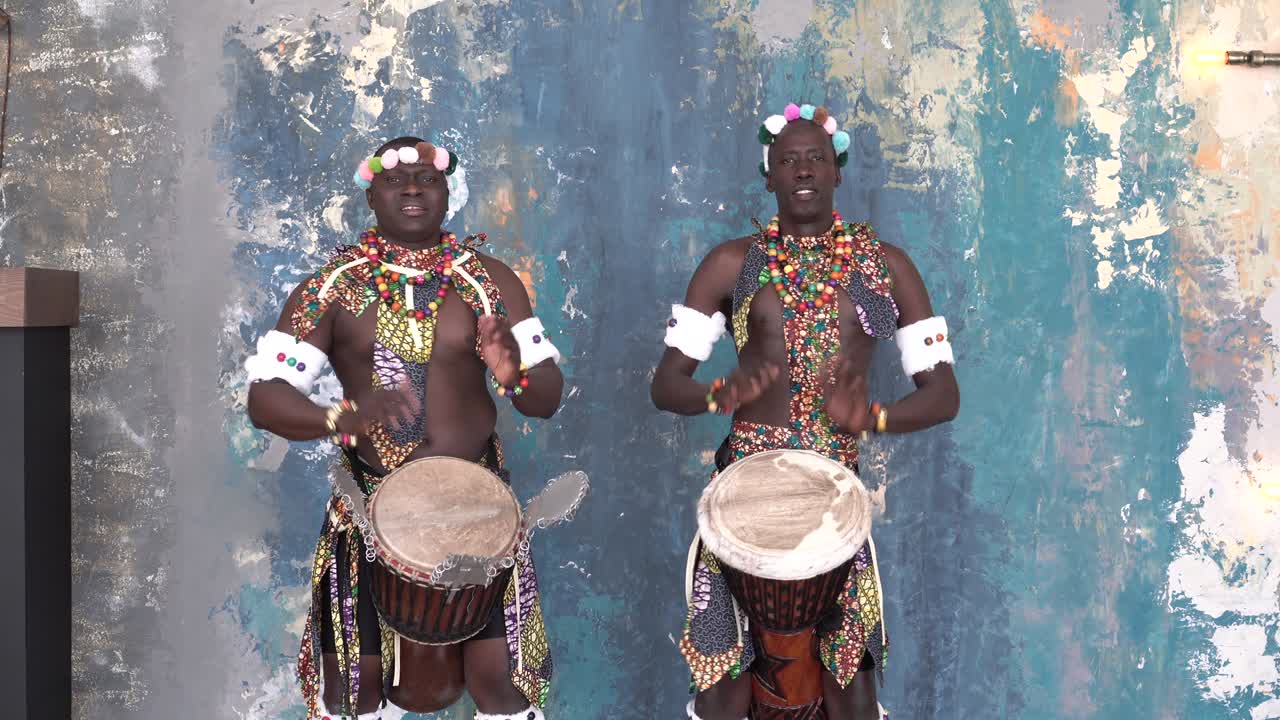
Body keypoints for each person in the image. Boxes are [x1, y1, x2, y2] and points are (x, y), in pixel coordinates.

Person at [651, 103, 960, 720]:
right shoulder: (730, 263)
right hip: (741, 492)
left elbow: (943, 396)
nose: (802, 169)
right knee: (721, 687)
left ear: (837, 170)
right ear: (767, 175)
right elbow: (665, 386)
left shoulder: (885, 265)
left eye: (815, 157)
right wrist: (719, 394)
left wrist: (872, 417)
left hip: (837, 496)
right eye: (786, 159)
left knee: (850, 686)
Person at [245, 136, 565, 720]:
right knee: (354, 691)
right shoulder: (333, 287)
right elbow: (265, 399)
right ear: (372, 194)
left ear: (448, 192)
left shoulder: (489, 281)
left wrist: (513, 373)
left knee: (500, 684)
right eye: (396, 180)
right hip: (370, 512)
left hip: (478, 511)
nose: (413, 188)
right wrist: (339, 416)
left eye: (427, 179)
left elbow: (545, 398)